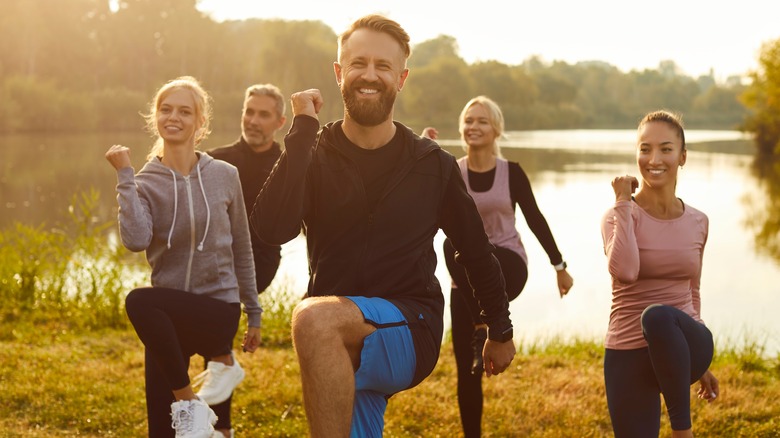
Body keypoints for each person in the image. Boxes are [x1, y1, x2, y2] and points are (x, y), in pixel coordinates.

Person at [250, 14, 516, 438]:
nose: (368, 75)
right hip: (339, 334)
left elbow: (476, 249)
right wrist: (301, 131)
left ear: (401, 77)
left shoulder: (432, 164)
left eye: (383, 66)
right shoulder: (314, 152)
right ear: (339, 73)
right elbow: (270, 229)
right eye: (357, 64)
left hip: (411, 326)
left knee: (313, 320)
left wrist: (499, 329)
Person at [105, 76, 262, 438]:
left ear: (200, 122)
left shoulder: (225, 175)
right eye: (166, 109)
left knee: (139, 302)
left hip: (217, 310)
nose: (173, 117)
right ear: (155, 117)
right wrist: (126, 178)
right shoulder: (144, 182)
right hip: (168, 319)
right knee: (165, 430)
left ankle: (191, 400)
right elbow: (135, 240)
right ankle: (189, 404)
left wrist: (253, 311)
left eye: (184, 111)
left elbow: (241, 245)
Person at [422, 95, 574, 438]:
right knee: (468, 372)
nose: (473, 127)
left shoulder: (512, 173)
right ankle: (483, 328)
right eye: (469, 121)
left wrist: (559, 266)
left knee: (467, 249)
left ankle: (488, 324)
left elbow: (535, 219)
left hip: (508, 266)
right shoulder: (449, 170)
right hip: (464, 280)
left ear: (497, 130)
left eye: (482, 121)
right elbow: (422, 215)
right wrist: (424, 158)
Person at [601, 110, 719, 438]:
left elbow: (692, 290)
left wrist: (696, 360)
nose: (654, 159)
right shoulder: (617, 215)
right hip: (628, 350)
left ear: (682, 157)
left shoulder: (699, 221)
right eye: (645, 148)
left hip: (684, 341)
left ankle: (683, 431)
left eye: (666, 149)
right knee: (654, 318)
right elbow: (625, 271)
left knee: (659, 318)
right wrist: (624, 202)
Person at [201, 84, 286, 437]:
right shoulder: (215, 159)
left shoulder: (288, 165)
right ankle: (209, 419)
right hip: (212, 260)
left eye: (263, 114)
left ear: (280, 122)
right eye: (248, 112)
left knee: (216, 320)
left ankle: (219, 427)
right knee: (208, 328)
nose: (253, 120)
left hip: (258, 262)